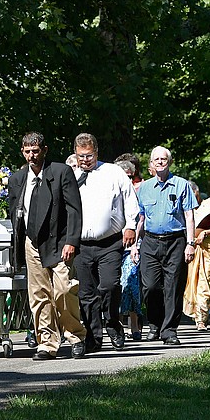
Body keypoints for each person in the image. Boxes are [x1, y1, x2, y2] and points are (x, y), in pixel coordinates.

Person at [8, 131, 87, 360]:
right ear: (22, 152)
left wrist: (72, 241)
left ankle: (76, 336)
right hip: (31, 242)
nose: (31, 156)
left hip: (59, 240)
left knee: (63, 290)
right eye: (27, 151)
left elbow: (74, 209)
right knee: (39, 294)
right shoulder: (17, 179)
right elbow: (16, 214)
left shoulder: (61, 172)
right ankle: (47, 343)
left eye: (35, 151)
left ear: (44, 150)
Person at [73, 133, 139, 352]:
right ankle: (93, 336)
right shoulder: (70, 176)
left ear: (97, 152)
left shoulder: (113, 172)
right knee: (87, 293)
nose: (85, 160)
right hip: (81, 244)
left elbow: (130, 199)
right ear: (75, 154)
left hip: (110, 241)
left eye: (89, 155)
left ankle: (112, 323)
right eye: (81, 156)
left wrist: (130, 225)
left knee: (110, 285)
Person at [130, 146, 197, 345]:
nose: (160, 162)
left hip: (175, 241)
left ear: (170, 161)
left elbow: (189, 216)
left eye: (163, 159)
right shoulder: (144, 188)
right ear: (151, 164)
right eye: (156, 159)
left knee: (173, 287)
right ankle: (154, 324)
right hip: (150, 242)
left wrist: (190, 243)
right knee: (150, 286)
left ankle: (169, 331)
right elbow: (140, 219)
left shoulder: (181, 185)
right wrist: (135, 245)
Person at [183, 181, 210, 329]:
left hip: (207, 247)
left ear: (197, 192)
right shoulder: (185, 208)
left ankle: (201, 317)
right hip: (191, 248)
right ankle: (198, 315)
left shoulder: (208, 207)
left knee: (204, 280)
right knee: (192, 281)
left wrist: (205, 233)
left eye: (192, 192)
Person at [114, 159, 144, 341]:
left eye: (130, 177)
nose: (127, 180)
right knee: (113, 286)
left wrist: (134, 246)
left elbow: (139, 220)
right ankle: (116, 325)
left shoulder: (136, 194)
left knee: (131, 283)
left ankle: (133, 324)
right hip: (111, 246)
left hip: (131, 247)